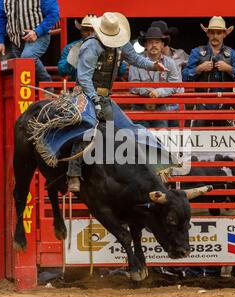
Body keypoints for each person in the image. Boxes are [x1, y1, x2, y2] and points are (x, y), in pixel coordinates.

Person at [67, 12, 169, 192]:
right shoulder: (91, 46)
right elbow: (83, 78)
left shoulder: (120, 43)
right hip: (84, 94)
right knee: (86, 127)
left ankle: (155, 166)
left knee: (131, 129)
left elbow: (135, 58)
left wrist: (153, 65)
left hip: (104, 97)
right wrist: (96, 100)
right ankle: (73, 174)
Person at [182, 16, 235, 127]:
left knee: (226, 141)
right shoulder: (196, 52)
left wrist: (228, 68)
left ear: (224, 34)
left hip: (225, 105)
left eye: (218, 32)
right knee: (199, 141)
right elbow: (185, 76)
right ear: (208, 34)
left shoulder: (233, 54)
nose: (215, 36)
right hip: (201, 104)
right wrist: (199, 69)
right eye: (212, 32)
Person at [129, 26, 183, 128]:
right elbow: (133, 85)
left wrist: (159, 92)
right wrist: (148, 91)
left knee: (161, 139)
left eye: (157, 42)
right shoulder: (135, 63)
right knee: (140, 140)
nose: (154, 45)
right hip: (140, 106)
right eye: (150, 42)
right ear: (145, 45)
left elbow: (174, 85)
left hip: (161, 106)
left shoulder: (170, 63)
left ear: (162, 45)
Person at [0, 0, 60, 84]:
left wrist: (37, 32)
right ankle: (35, 92)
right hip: (16, 40)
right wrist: (0, 41)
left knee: (27, 57)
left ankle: (47, 84)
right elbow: (0, 17)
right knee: (23, 70)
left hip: (39, 36)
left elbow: (53, 14)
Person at [57, 14, 96, 80]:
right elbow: (61, 71)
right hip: (78, 85)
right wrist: (72, 58)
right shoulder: (71, 47)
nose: (89, 33)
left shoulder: (106, 46)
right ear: (81, 31)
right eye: (86, 30)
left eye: (92, 30)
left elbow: (119, 70)